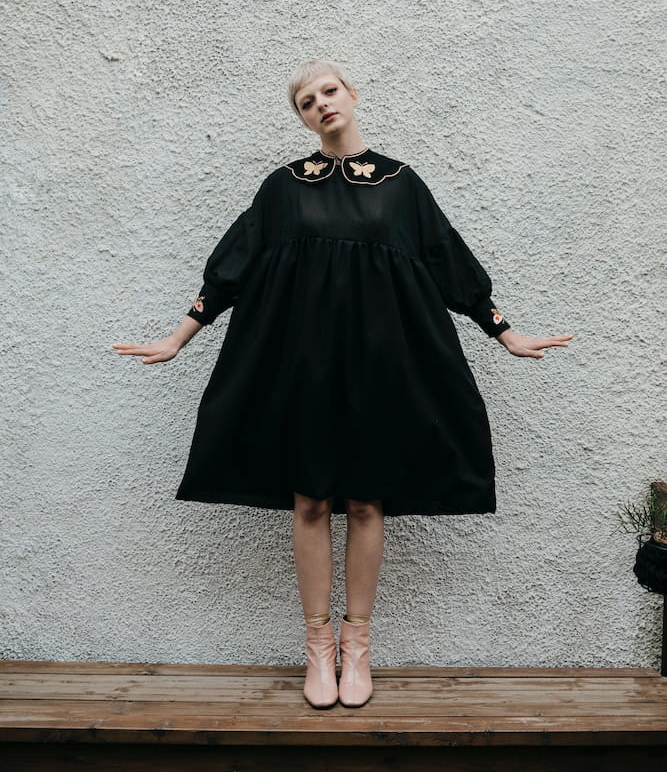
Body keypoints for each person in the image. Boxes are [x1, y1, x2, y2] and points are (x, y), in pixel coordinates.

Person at [113, 59, 573, 709]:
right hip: (302, 369)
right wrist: (177, 336)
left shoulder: (400, 184)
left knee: (363, 502)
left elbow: (447, 259)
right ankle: (317, 649)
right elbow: (232, 267)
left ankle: (358, 649)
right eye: (306, 100)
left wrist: (504, 331)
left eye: (328, 91)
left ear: (352, 96)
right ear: (299, 116)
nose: (320, 103)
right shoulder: (282, 188)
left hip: (378, 368)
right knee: (307, 502)